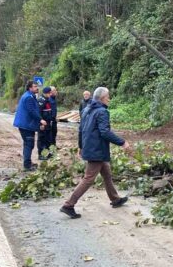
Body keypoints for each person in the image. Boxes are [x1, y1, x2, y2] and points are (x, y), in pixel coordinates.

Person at [60, 87, 130, 219]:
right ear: (103, 98)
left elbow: (81, 130)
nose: (109, 98)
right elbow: (104, 132)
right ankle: (68, 205)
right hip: (96, 149)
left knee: (107, 173)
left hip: (92, 148)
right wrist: (122, 142)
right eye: (108, 96)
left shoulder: (87, 109)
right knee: (88, 179)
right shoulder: (102, 111)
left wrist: (81, 146)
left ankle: (115, 199)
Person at [14, 80, 46, 171]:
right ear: (30, 88)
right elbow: (32, 111)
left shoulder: (29, 96)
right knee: (29, 144)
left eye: (37, 86)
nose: (37, 88)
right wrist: (41, 120)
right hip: (26, 125)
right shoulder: (29, 98)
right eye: (35, 86)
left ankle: (27, 162)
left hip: (25, 124)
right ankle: (27, 165)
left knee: (27, 144)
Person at [37, 86, 55, 159]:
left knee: (48, 139)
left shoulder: (47, 100)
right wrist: (41, 123)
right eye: (50, 93)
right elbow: (38, 113)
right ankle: (41, 155)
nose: (51, 94)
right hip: (43, 123)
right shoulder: (41, 100)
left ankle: (47, 154)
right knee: (42, 139)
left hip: (47, 123)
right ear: (46, 93)